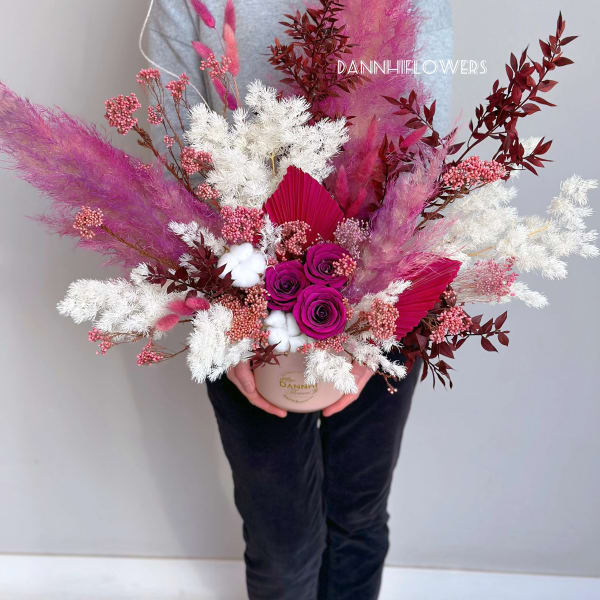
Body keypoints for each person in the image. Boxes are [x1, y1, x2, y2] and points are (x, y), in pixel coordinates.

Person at [145, 1, 452, 598]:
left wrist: (378, 331)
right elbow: (177, 157)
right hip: (243, 295)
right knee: (281, 542)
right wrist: (229, 318)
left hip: (382, 289)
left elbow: (421, 155)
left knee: (358, 515)